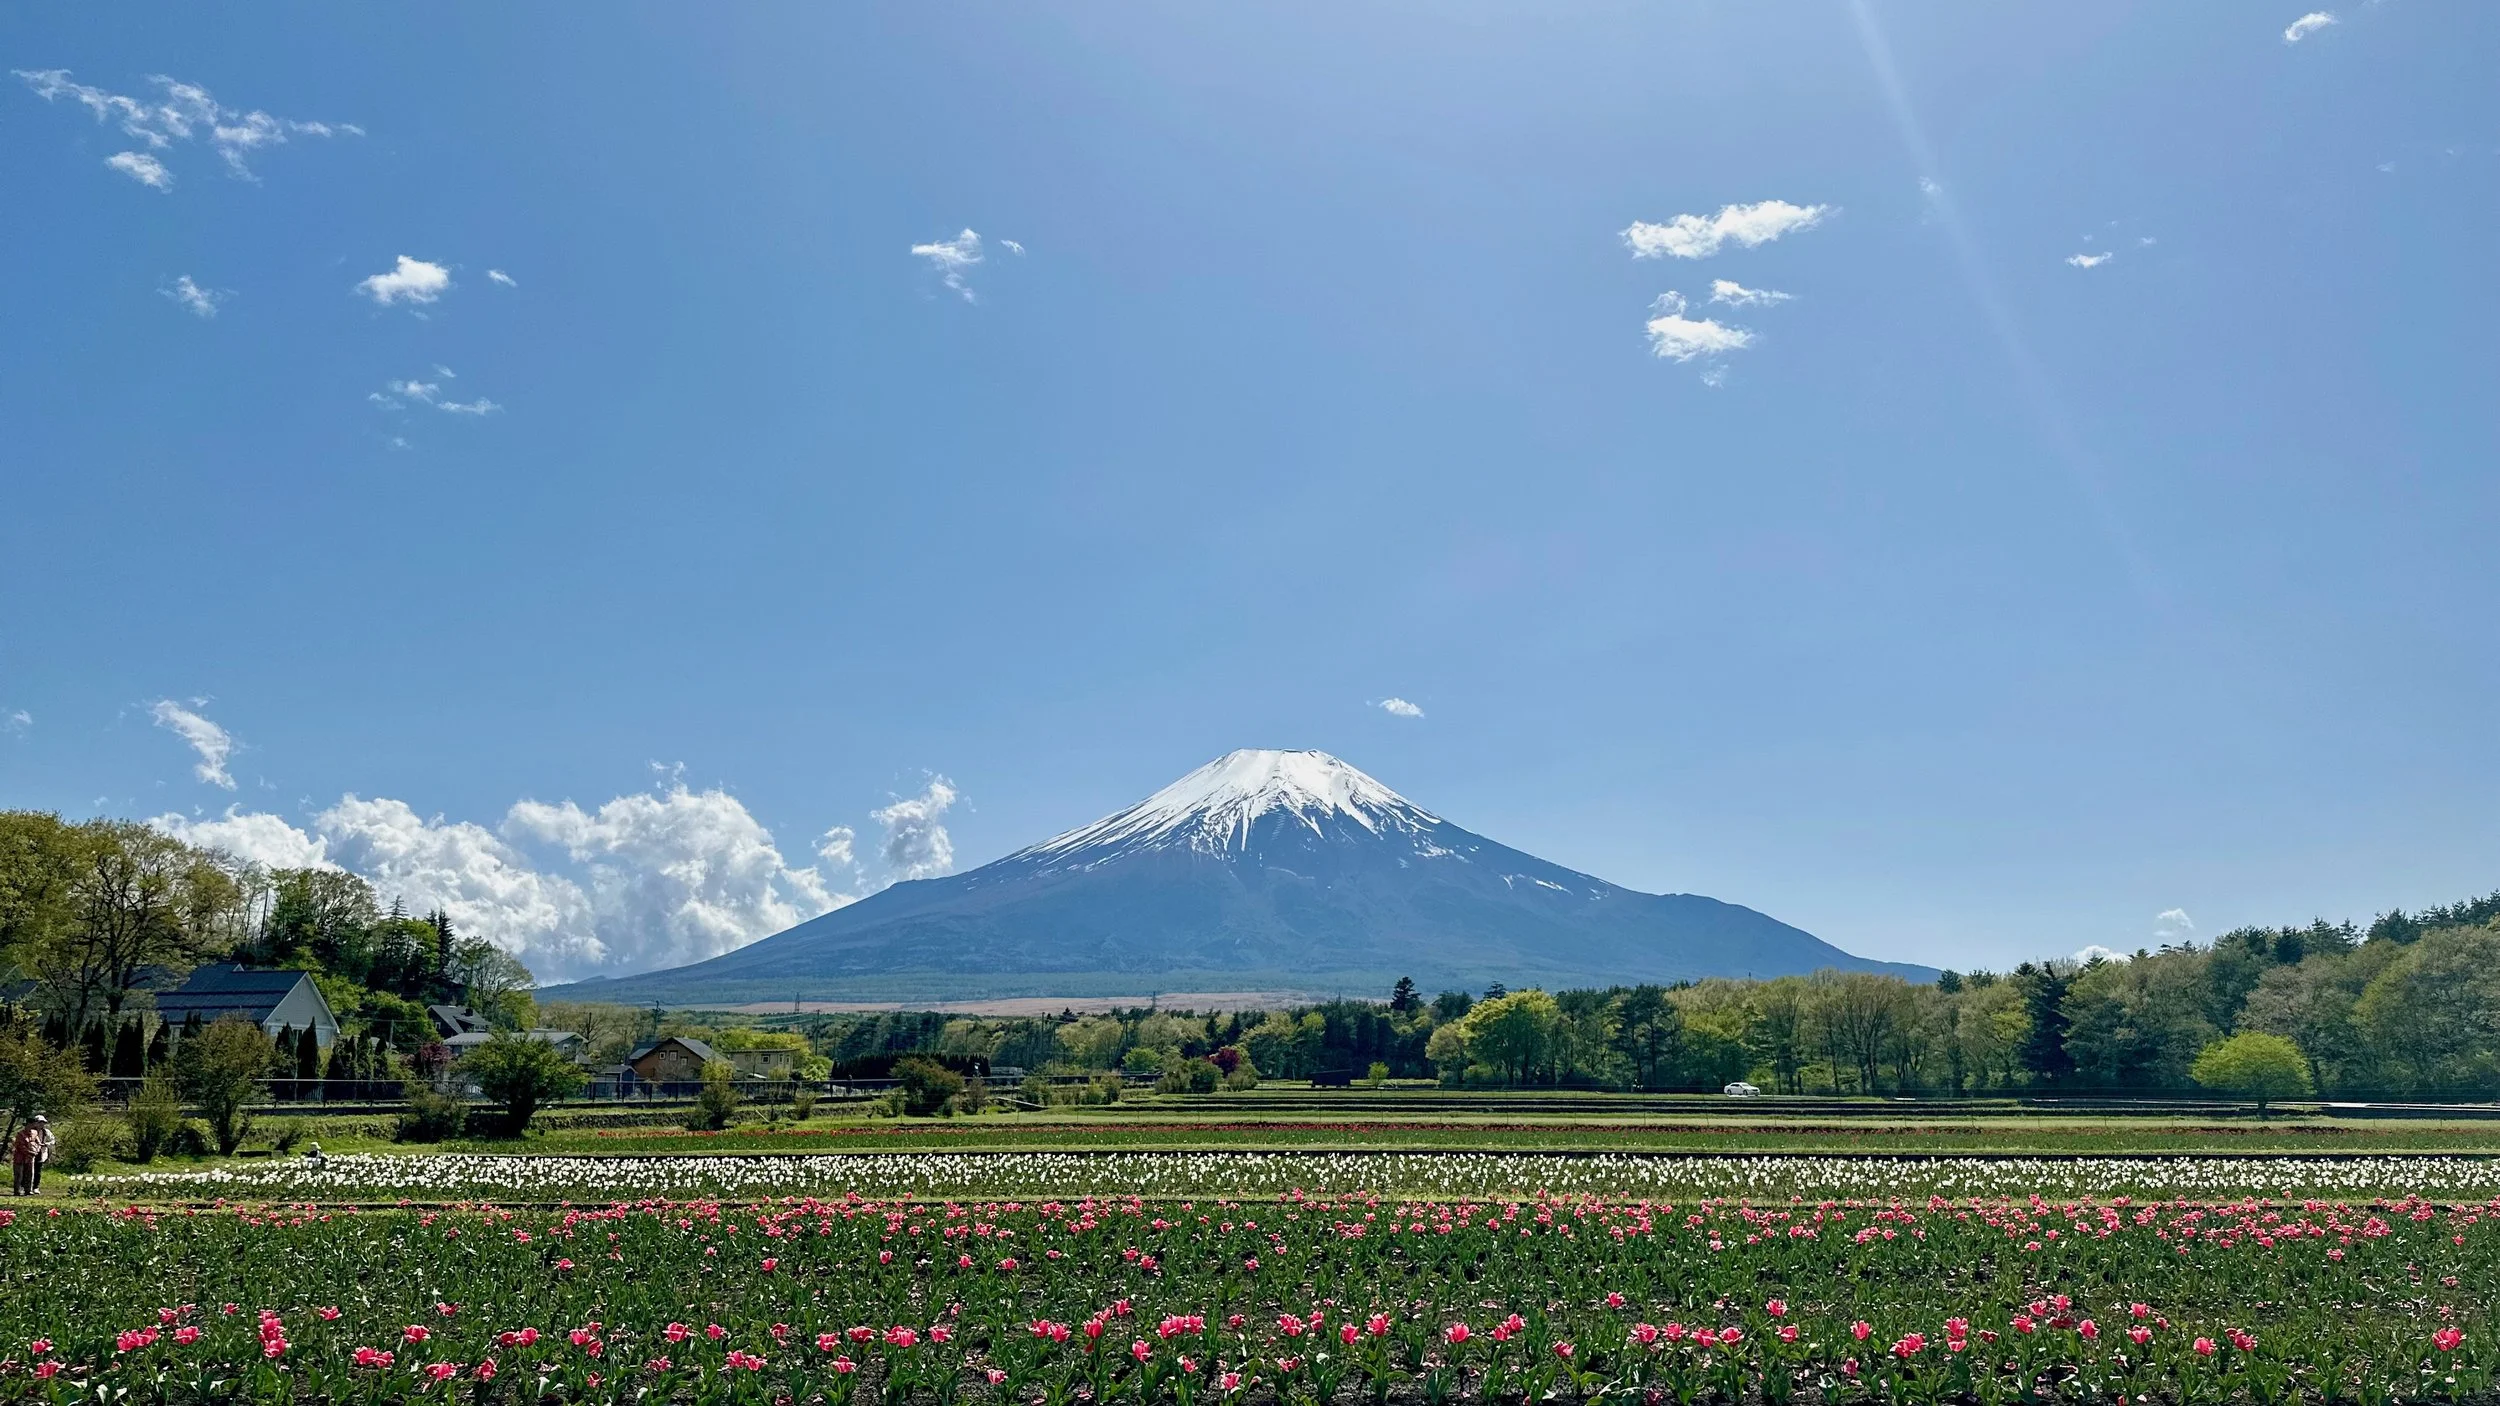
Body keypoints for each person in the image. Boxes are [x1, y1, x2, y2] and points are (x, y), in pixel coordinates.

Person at [10, 1116, 47, 1196]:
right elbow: (20, 1146)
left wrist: (36, 1150)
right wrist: (29, 1152)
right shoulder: (20, 1134)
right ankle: (17, 1190)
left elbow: (38, 1143)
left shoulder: (35, 1133)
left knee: (30, 1174)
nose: (33, 1126)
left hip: (30, 1158)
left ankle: (28, 1190)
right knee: (19, 1175)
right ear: (27, 1124)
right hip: (20, 1157)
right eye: (31, 1124)